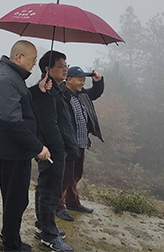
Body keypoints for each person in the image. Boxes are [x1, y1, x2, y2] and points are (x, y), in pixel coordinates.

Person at [0, 40, 51, 252]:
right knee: (16, 200)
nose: (34, 64)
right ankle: (10, 245)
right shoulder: (7, 79)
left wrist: (37, 90)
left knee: (13, 199)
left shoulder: (10, 75)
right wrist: (38, 147)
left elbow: (18, 100)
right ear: (19, 57)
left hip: (11, 150)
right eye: (33, 59)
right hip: (12, 152)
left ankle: (9, 238)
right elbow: (12, 120)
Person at [30, 51, 79, 252]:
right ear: (47, 69)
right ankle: (49, 237)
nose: (65, 69)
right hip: (52, 151)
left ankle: (43, 226)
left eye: (66, 65)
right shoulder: (46, 92)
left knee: (45, 187)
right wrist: (59, 150)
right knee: (51, 192)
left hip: (54, 150)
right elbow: (49, 125)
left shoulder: (54, 89)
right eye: (61, 66)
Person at [55, 66, 104, 221]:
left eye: (84, 79)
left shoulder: (81, 94)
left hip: (81, 142)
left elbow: (95, 93)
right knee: (65, 176)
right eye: (79, 79)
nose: (82, 82)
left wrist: (98, 82)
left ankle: (72, 201)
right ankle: (57, 205)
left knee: (76, 174)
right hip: (68, 143)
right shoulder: (61, 94)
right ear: (69, 79)